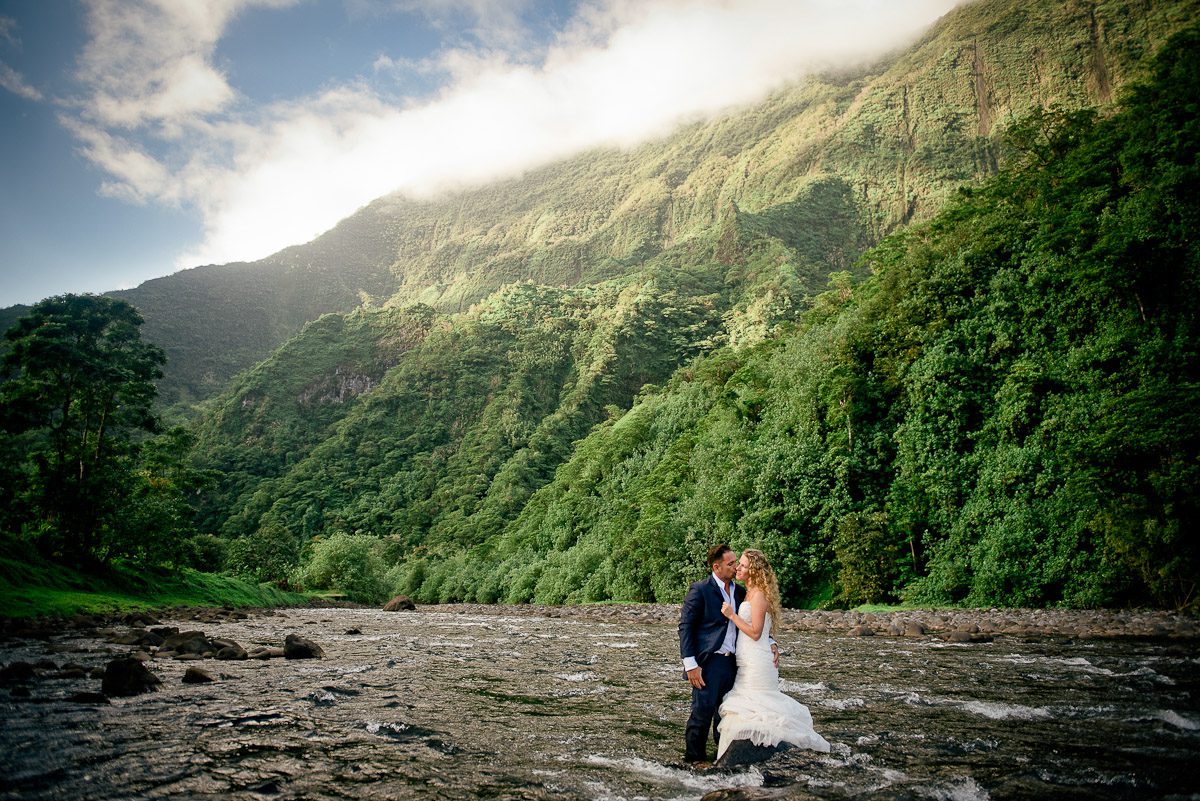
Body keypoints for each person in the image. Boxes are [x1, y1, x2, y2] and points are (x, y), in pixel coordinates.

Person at [715, 548, 830, 762]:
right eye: (738, 564)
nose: (738, 568)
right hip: (746, 660)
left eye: (743, 565)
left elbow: (756, 632)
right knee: (746, 706)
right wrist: (772, 641)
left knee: (758, 706)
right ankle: (730, 758)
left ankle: (761, 756)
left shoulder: (758, 595)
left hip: (757, 662)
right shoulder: (746, 592)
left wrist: (732, 615)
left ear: (754, 571)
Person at [678, 543, 743, 764]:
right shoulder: (701, 589)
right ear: (717, 567)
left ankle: (721, 761)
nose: (735, 567)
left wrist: (770, 642)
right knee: (702, 713)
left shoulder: (740, 591)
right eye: (731, 563)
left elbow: (748, 623)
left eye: (735, 562)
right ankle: (694, 762)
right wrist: (691, 664)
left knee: (726, 714)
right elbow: (685, 626)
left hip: (733, 663)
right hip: (708, 662)